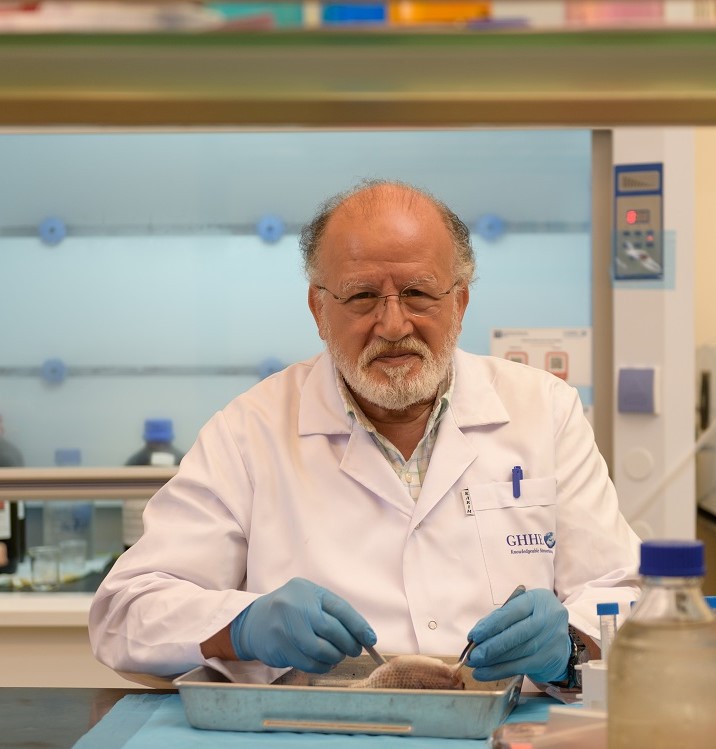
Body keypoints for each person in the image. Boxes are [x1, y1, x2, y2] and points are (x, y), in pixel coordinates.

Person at [89, 179, 640, 690]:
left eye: (419, 293)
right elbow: (124, 612)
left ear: (461, 300)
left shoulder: (543, 410)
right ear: (318, 308)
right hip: (318, 735)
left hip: (503, 728)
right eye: (361, 297)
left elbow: (623, 591)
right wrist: (240, 626)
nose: (394, 324)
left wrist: (568, 647)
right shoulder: (249, 430)